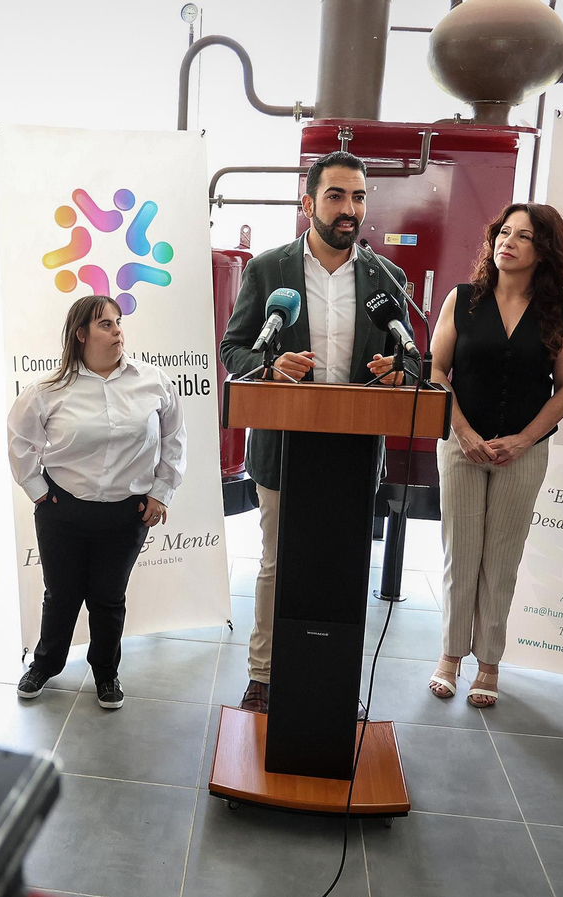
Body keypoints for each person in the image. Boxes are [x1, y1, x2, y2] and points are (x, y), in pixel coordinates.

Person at [219, 151, 409, 713]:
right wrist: (270, 367)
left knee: (345, 564)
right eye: (336, 196)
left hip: (353, 451)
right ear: (308, 204)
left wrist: (397, 373)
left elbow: (405, 357)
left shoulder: (386, 278)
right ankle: (264, 675)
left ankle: (335, 675)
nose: (349, 209)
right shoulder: (269, 270)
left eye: (358, 197)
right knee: (278, 562)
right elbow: (234, 350)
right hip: (284, 447)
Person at [426, 204, 563, 707]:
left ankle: (488, 663)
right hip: (460, 446)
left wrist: (522, 440)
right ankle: (450, 657)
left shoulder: (560, 313)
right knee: (461, 552)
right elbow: (435, 370)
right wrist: (465, 433)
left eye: (523, 237)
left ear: (544, 252)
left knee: (502, 557)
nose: (507, 243)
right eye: (503, 233)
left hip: (524, 452)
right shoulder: (463, 299)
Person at [9, 296, 187, 710]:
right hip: (63, 509)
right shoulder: (48, 389)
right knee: (62, 594)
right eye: (105, 324)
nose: (117, 330)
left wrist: (162, 493)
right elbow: (20, 441)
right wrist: (37, 490)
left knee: (108, 597)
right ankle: (45, 664)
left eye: (119, 322)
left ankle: (106, 672)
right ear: (81, 334)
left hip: (127, 514)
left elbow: (174, 440)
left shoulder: (153, 382)